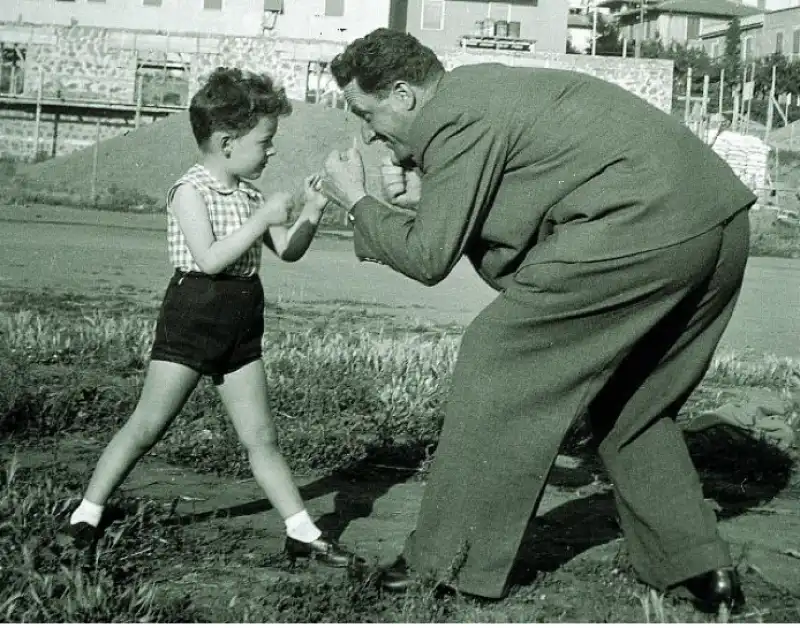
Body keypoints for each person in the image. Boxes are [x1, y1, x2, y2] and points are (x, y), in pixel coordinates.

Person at [320, 29, 754, 613]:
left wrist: (355, 201)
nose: (369, 131)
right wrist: (415, 201)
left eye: (365, 113)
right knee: (632, 401)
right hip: (718, 220)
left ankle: (445, 564)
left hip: (642, 226)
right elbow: (518, 196)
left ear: (403, 93)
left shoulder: (451, 119)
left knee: (497, 355)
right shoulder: (478, 94)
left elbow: (429, 257)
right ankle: (697, 567)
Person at [67, 67, 361, 569]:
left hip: (241, 318)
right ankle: (86, 514)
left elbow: (287, 251)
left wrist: (311, 210)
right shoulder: (190, 190)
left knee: (261, 437)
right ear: (227, 142)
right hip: (195, 312)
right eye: (265, 141)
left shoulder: (248, 195)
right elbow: (209, 259)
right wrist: (263, 219)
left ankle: (302, 531)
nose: (271, 152)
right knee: (147, 425)